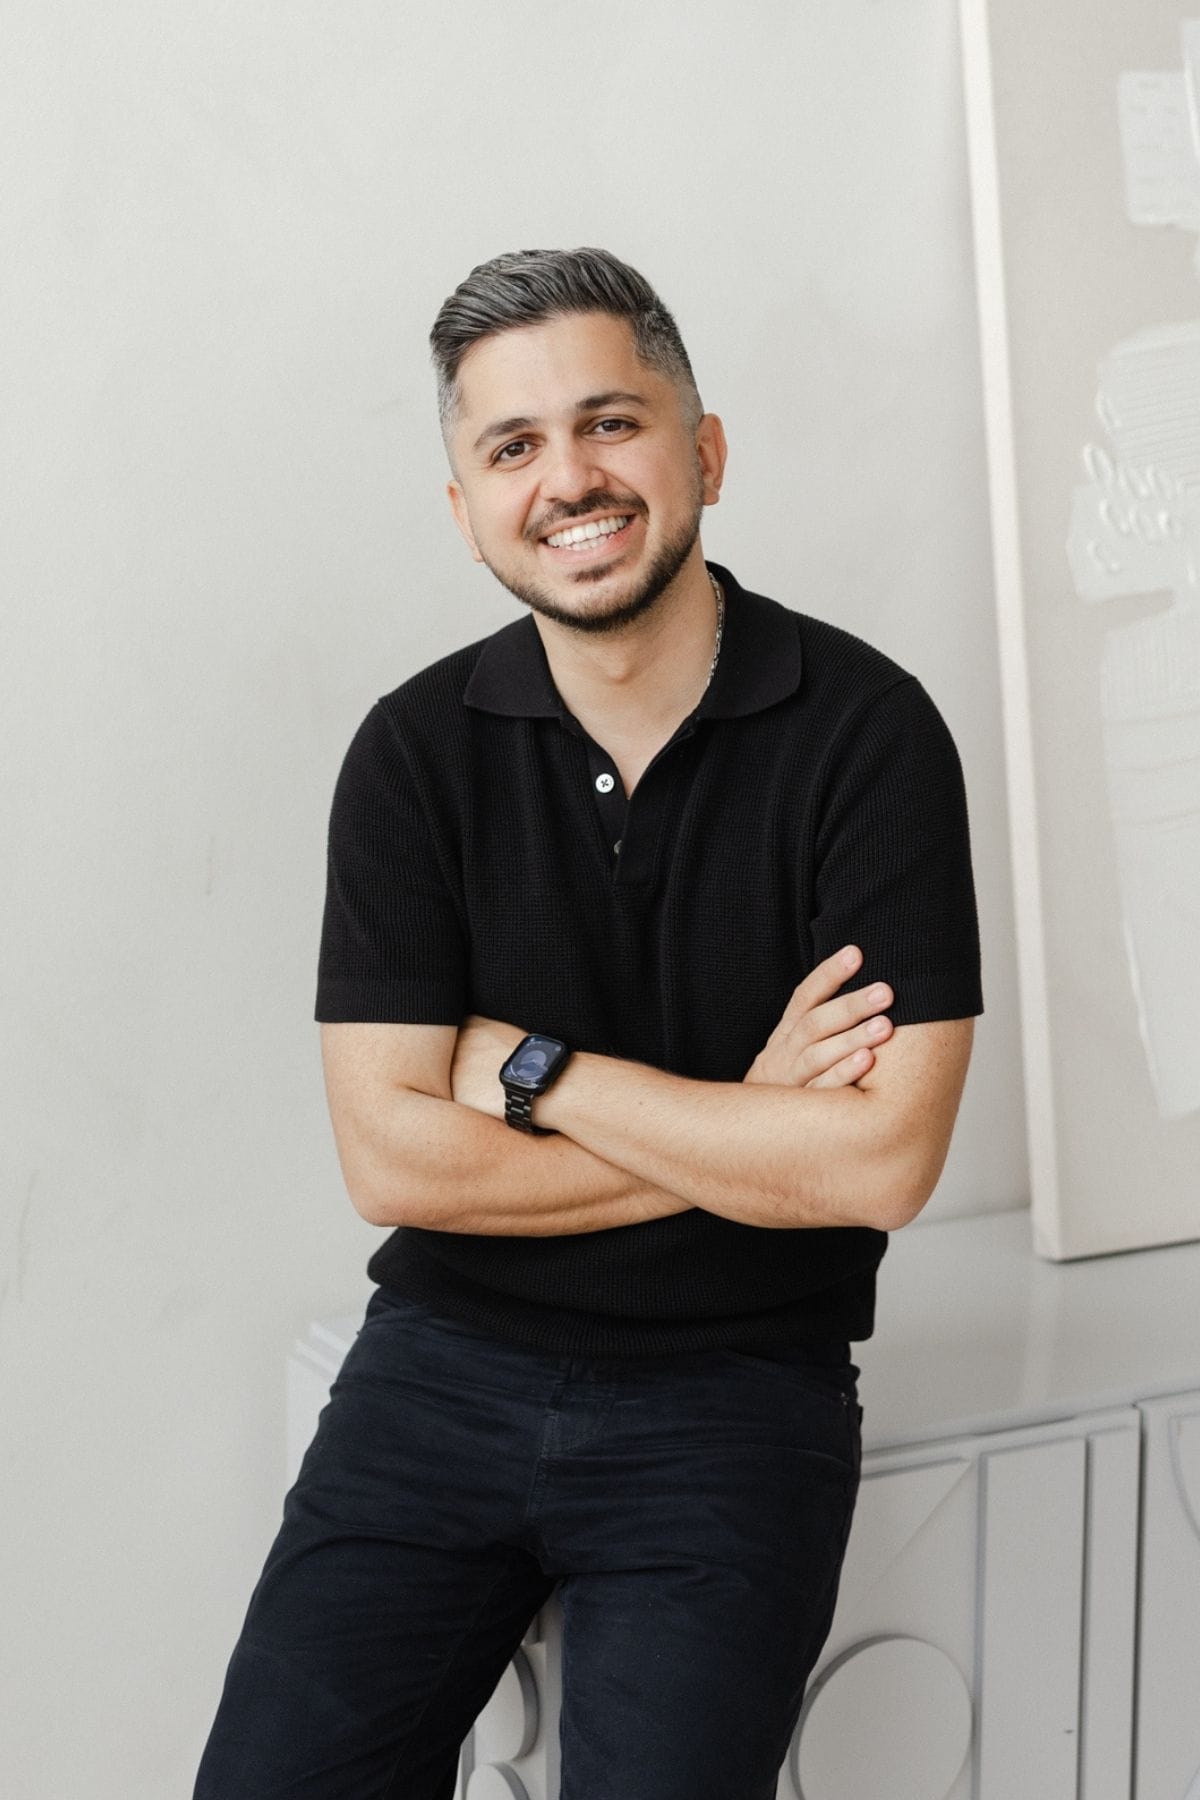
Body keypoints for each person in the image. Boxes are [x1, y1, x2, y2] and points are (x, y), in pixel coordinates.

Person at [194, 247, 982, 1799]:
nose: (571, 479)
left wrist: (535, 1072)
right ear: (468, 508)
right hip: (437, 1372)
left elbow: (880, 1169)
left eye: (611, 422)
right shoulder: (412, 756)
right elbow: (394, 1165)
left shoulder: (870, 736)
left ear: (704, 449)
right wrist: (748, 1121)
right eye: (513, 447)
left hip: (738, 1398)